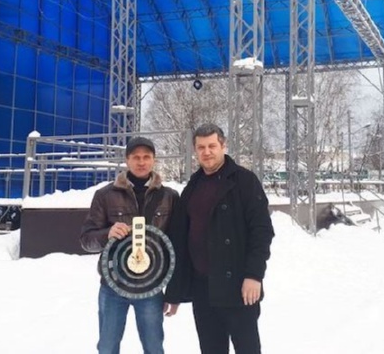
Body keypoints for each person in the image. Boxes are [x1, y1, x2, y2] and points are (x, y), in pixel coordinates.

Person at [164, 123, 274, 354]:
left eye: (212, 146)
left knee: (248, 349)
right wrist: (175, 291)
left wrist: (254, 275)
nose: (207, 152)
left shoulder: (244, 181)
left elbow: (262, 231)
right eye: (201, 147)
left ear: (223, 146)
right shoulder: (192, 187)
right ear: (195, 150)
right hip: (203, 288)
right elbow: (181, 243)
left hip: (239, 287)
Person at [80, 136, 179, 354]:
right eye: (136, 157)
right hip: (113, 285)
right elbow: (86, 240)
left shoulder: (169, 197)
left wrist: (175, 291)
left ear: (154, 160)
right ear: (127, 160)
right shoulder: (105, 195)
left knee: (154, 347)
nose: (141, 162)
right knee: (107, 347)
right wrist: (107, 233)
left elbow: (176, 246)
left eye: (146, 157)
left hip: (151, 286)